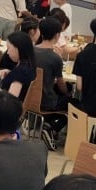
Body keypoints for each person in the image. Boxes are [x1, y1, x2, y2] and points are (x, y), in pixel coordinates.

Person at [33, 17, 71, 147]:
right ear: (57, 35)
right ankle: (51, 127)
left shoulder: (30, 51)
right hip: (46, 102)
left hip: (27, 99)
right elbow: (61, 84)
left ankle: (44, 125)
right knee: (72, 104)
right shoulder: (55, 58)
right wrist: (68, 92)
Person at [0, 31, 38, 102]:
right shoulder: (27, 65)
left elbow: (10, 101)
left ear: (18, 48)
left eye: (9, 48)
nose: (7, 53)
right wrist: (10, 73)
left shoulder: (20, 72)